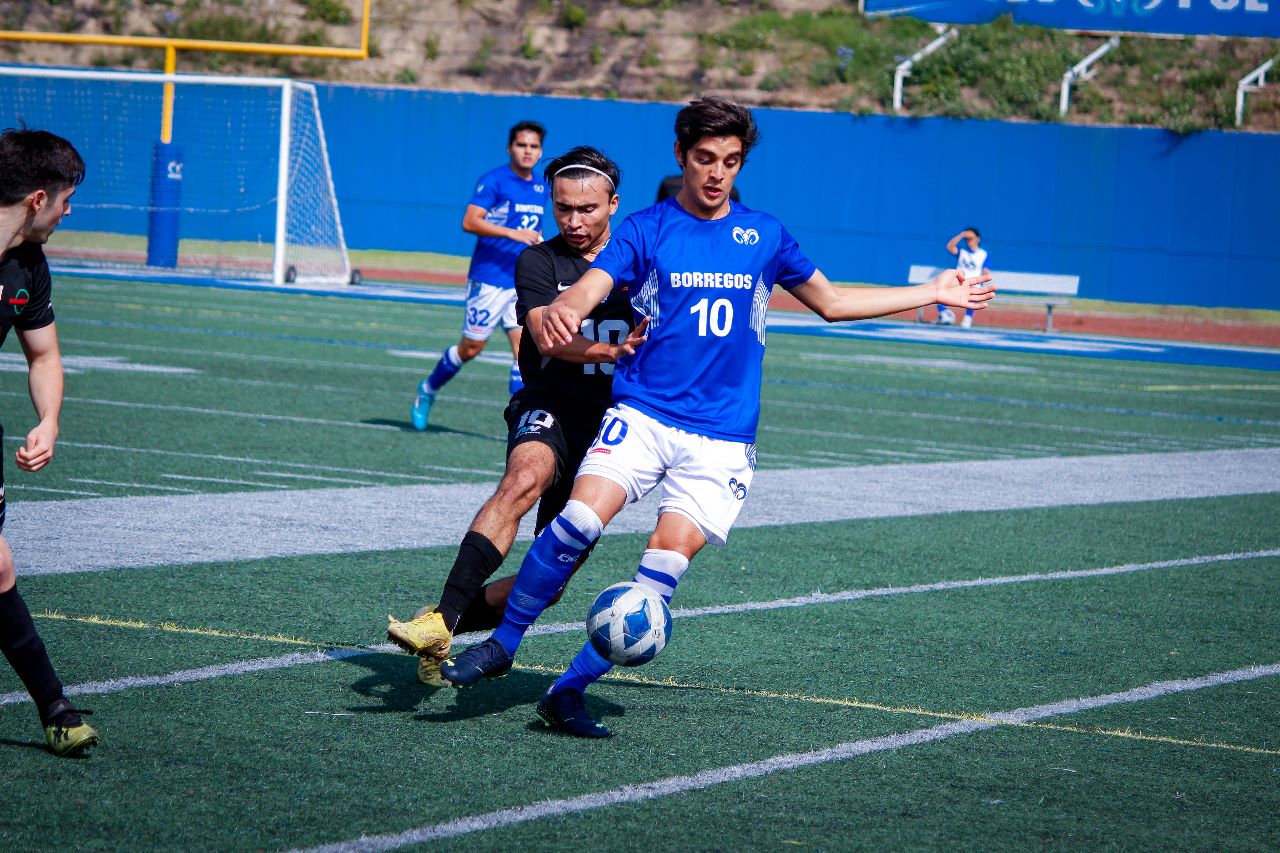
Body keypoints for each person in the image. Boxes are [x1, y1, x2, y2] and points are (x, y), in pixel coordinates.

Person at [438, 97, 995, 738]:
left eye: (730, 161)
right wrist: (568, 305)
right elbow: (594, 283)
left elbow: (834, 302)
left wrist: (934, 292)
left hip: (723, 439)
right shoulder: (646, 228)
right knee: (578, 520)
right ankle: (503, 643)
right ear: (681, 156)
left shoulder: (765, 235)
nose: (716, 173)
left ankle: (566, 691)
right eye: (704, 158)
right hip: (644, 414)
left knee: (655, 586)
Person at [387, 146, 646, 685]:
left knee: (546, 580)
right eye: (563, 209)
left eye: (588, 210)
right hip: (548, 403)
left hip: (616, 430)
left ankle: (445, 625)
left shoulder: (644, 264)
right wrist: (612, 351)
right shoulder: (538, 261)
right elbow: (549, 335)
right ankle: (442, 615)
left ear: (614, 205)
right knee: (523, 478)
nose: (574, 221)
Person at [0, 128, 99, 756]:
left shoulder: (29, 266)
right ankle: (55, 706)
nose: (70, 212)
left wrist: (50, 419)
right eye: (67, 200)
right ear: (39, 198)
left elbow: (44, 354)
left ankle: (55, 709)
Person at [411, 120, 549, 430]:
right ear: (510, 147)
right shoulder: (494, 181)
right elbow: (470, 221)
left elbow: (533, 231)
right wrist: (512, 234)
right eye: (522, 145)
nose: (528, 151)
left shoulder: (541, 186)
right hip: (488, 279)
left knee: (523, 349)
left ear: (540, 151)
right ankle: (427, 389)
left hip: (520, 282)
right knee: (472, 348)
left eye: (534, 146)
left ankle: (519, 423)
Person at [938, 227, 990, 328]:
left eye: (971, 238)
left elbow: (986, 270)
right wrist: (961, 235)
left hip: (973, 282)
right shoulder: (962, 251)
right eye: (967, 239)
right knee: (940, 293)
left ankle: (968, 318)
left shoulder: (983, 254)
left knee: (975, 292)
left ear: (977, 239)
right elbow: (949, 247)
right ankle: (945, 315)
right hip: (959, 280)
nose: (969, 241)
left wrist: (983, 282)